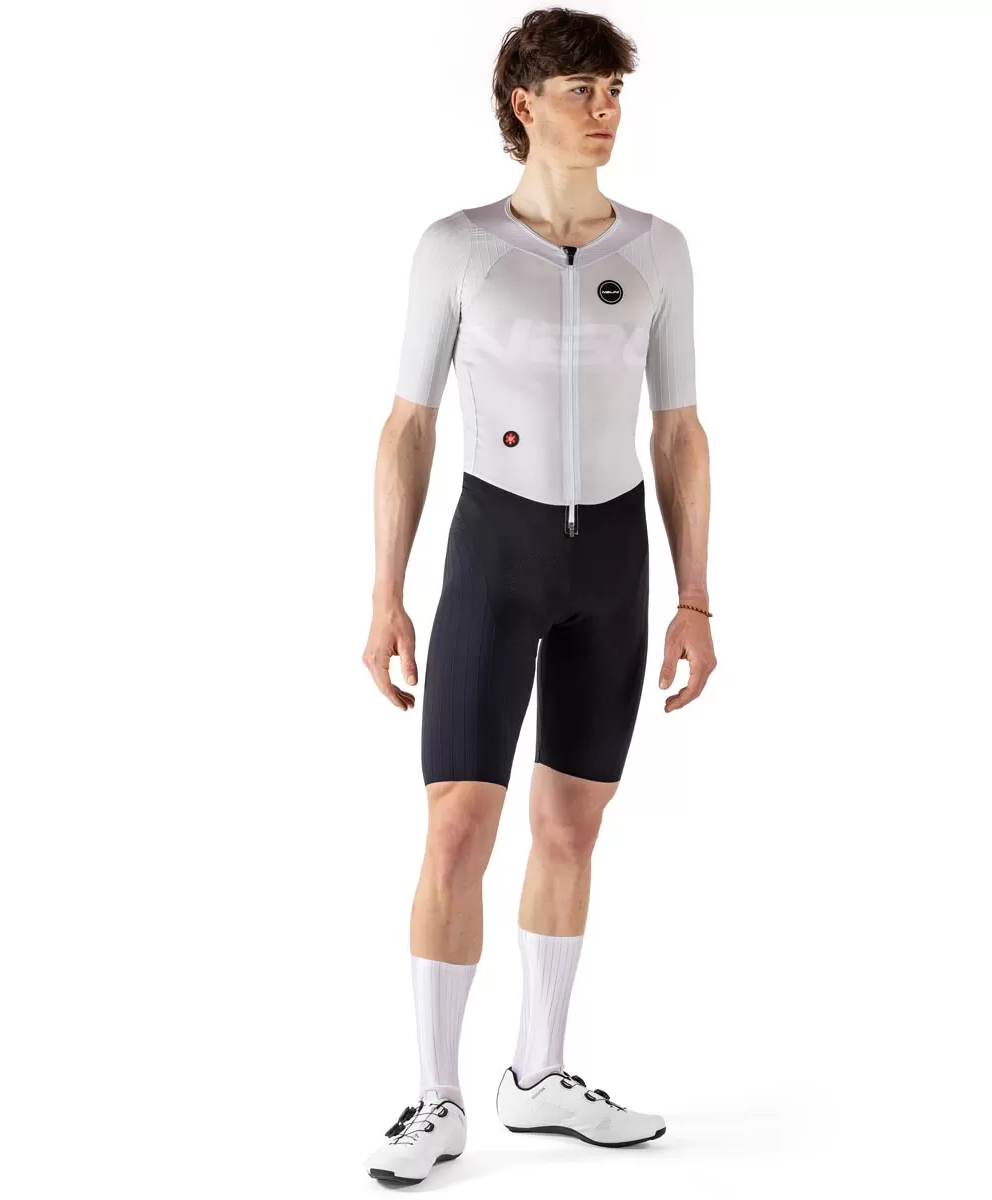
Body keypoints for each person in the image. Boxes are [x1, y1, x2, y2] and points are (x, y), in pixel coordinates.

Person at [361, 7, 715, 1185]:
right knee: (458, 824)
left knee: (572, 828)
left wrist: (696, 599)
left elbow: (680, 433)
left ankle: (539, 1075)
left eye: (613, 90)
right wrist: (386, 592)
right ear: (524, 104)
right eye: (580, 90)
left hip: (613, 562)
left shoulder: (658, 249)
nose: (605, 110)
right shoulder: (458, 247)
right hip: (495, 555)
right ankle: (434, 1096)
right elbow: (407, 427)